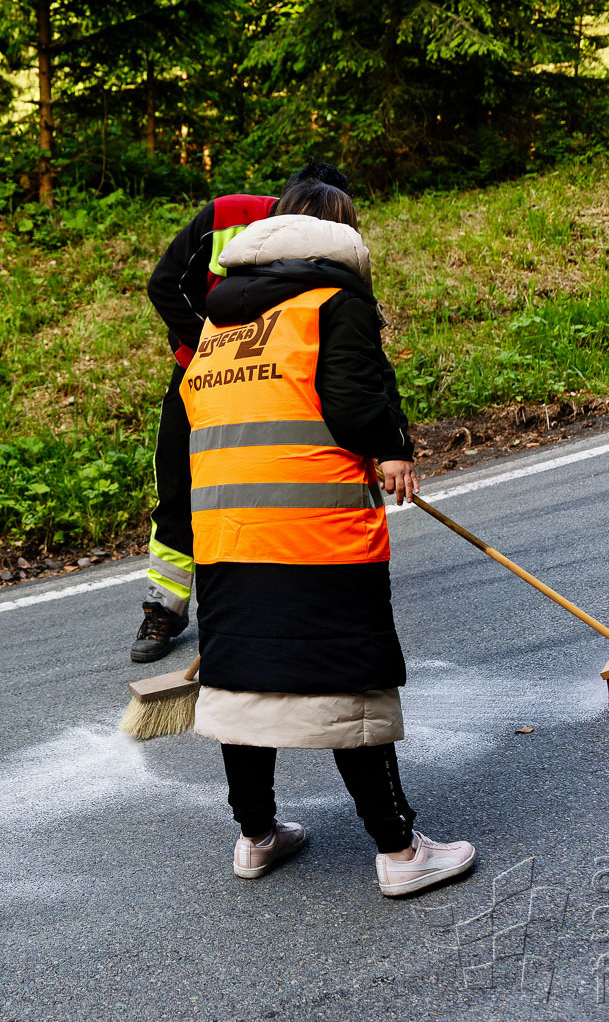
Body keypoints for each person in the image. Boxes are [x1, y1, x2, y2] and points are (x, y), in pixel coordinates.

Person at [180, 183, 474, 897]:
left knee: (245, 681)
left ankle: (255, 836)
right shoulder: (332, 300)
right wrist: (392, 446)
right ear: (341, 236)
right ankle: (400, 850)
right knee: (346, 677)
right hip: (314, 527)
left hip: (225, 529)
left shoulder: (223, 314)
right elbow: (351, 401)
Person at [133, 164, 352, 663]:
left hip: (278, 383)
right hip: (202, 373)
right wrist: (212, 349)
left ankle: (269, 593)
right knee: (178, 485)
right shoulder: (226, 217)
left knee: (273, 483)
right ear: (288, 203)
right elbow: (165, 284)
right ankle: (164, 607)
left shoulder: (338, 245)